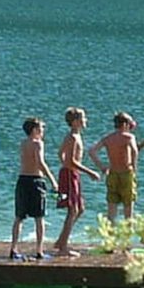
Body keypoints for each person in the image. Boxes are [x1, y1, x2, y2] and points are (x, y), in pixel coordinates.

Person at [51, 107, 100, 258]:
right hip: (70, 174)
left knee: (80, 208)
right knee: (73, 210)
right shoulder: (72, 137)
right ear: (75, 122)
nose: (86, 121)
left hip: (72, 173)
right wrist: (90, 171)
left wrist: (68, 166)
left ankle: (61, 240)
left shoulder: (75, 136)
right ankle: (63, 247)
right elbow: (70, 159)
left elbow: (61, 154)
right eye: (83, 118)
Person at [8, 117, 49, 257]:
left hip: (22, 180)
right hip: (36, 180)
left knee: (19, 217)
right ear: (34, 130)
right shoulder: (38, 144)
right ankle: (39, 250)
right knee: (39, 217)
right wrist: (52, 180)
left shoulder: (23, 143)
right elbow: (40, 163)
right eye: (41, 128)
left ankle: (13, 248)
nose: (43, 131)